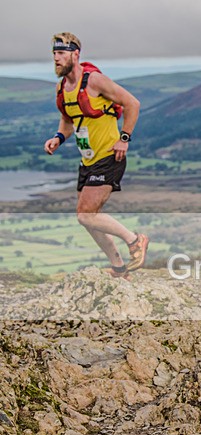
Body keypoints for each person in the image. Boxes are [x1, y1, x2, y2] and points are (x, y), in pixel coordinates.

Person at [43, 33, 148, 280]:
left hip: (109, 156)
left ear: (75, 54)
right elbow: (68, 120)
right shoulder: (62, 88)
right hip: (88, 160)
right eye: (54, 54)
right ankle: (120, 269)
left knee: (85, 214)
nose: (56, 59)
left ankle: (135, 240)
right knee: (89, 218)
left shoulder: (95, 81)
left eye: (61, 53)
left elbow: (132, 103)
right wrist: (59, 137)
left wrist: (124, 139)